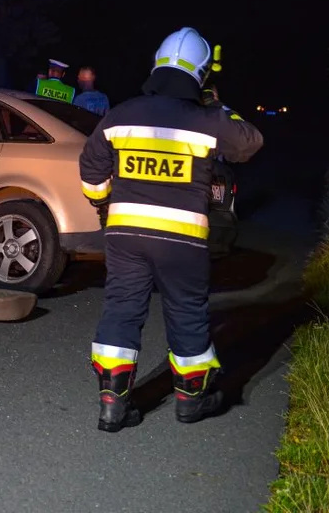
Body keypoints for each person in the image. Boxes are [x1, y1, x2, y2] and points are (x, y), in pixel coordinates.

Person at [78, 27, 263, 432]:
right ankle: (190, 403)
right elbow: (250, 142)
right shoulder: (207, 119)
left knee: (122, 309)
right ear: (200, 76)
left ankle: (112, 406)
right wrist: (219, 105)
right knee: (187, 313)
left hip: (125, 234)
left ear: (157, 65)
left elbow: (91, 170)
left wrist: (104, 203)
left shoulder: (121, 114)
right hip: (182, 239)